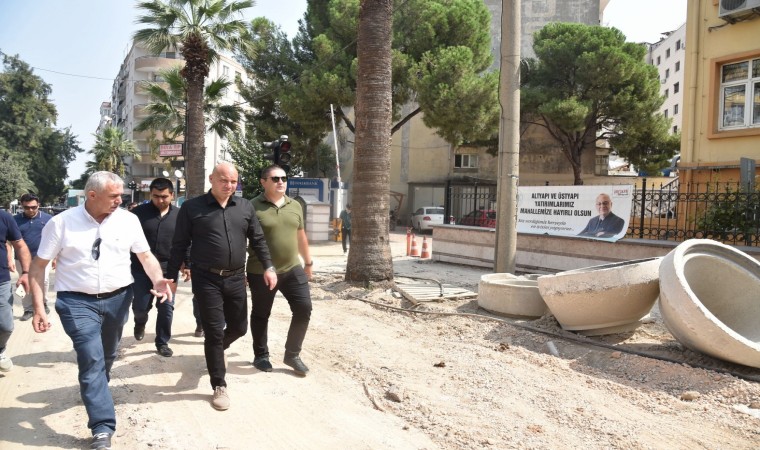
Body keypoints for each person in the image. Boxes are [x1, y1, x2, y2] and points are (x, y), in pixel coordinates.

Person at [28, 171, 174, 450]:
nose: (120, 200)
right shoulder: (62, 223)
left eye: (121, 195)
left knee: (106, 355)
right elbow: (38, 267)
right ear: (92, 195)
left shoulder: (128, 220)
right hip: (76, 302)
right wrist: (38, 308)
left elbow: (145, 256)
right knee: (91, 359)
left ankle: (96, 388)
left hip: (118, 299)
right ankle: (102, 427)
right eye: (114, 196)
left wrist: (157, 279)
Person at [167, 162, 276, 411]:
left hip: (236, 278)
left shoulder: (245, 206)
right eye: (224, 180)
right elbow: (179, 244)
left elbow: (258, 239)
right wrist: (171, 278)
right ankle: (219, 384)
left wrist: (268, 267)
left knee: (239, 327)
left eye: (233, 181)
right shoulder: (192, 208)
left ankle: (217, 349)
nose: (229, 185)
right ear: (211, 179)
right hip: (206, 279)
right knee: (214, 331)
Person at [247, 165, 313, 377]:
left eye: (284, 178)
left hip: (293, 268)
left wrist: (308, 263)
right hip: (261, 271)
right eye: (275, 179)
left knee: (304, 308)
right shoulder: (251, 206)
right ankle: (261, 355)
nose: (281, 182)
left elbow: (300, 236)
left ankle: (292, 354)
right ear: (263, 182)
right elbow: (241, 239)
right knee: (261, 313)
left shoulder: (295, 205)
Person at [130, 178, 188, 357]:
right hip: (141, 269)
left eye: (164, 196)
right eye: (156, 196)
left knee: (166, 307)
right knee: (140, 306)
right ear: (151, 195)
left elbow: (187, 241)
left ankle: (162, 342)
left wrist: (187, 263)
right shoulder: (137, 214)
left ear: (172, 195)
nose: (160, 200)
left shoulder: (181, 215)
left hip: (168, 269)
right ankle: (140, 322)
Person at [12, 193, 53, 321]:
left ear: (38, 205)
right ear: (22, 206)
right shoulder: (14, 220)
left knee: (44, 281)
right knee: (25, 282)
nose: (30, 210)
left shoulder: (48, 219)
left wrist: (56, 257)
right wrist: (9, 258)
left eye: (33, 207)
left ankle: (43, 303)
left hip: (43, 258)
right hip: (21, 259)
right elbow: (8, 241)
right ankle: (28, 309)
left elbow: (55, 240)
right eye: (26, 207)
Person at [0, 209, 31, 372]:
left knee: (5, 325)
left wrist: (25, 273)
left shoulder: (4, 217)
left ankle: (0, 349)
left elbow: (20, 245)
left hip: (1, 281)